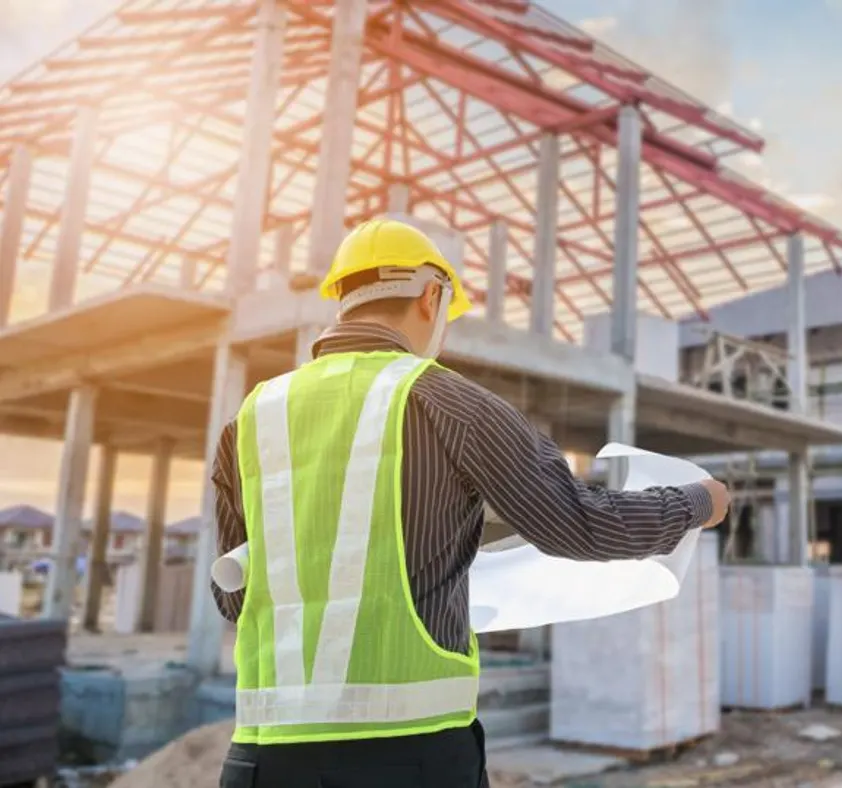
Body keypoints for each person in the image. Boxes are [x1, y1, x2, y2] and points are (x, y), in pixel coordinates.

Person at [210, 218, 731, 788]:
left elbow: (233, 597)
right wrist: (696, 502)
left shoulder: (252, 420)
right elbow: (579, 524)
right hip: (408, 758)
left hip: (261, 760)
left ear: (342, 300)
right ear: (431, 296)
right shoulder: (451, 404)